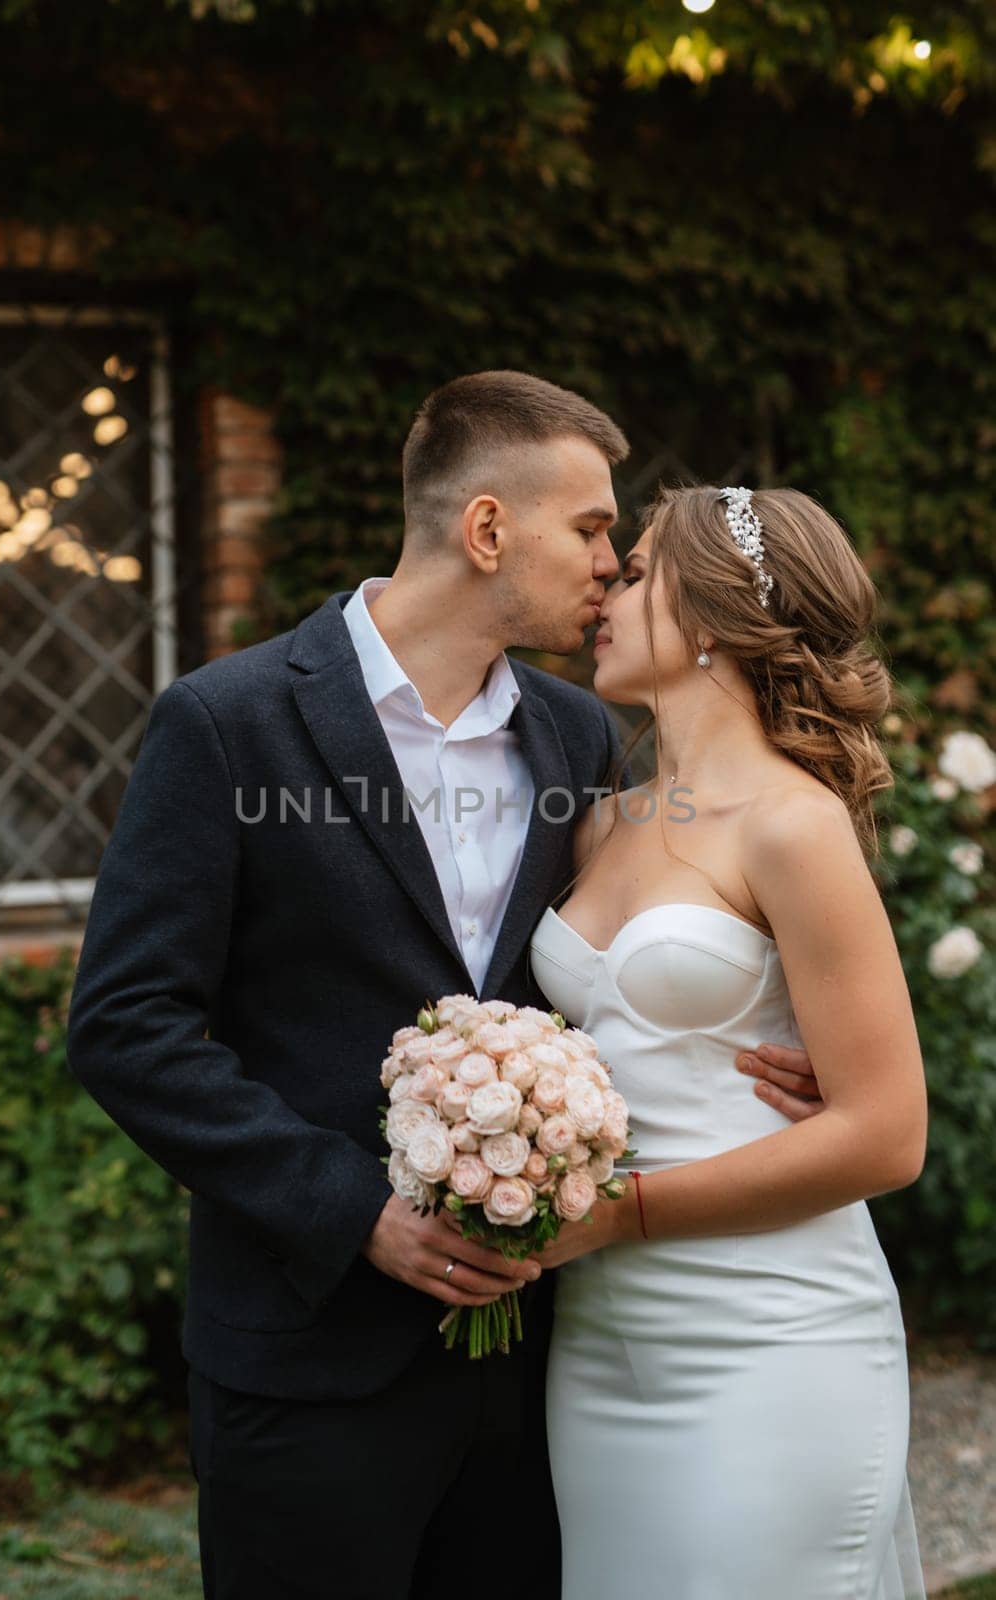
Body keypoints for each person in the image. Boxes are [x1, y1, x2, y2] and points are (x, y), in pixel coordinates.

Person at [65, 374, 821, 1600]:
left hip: (531, 1372)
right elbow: (125, 1027)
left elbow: (626, 959)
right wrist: (352, 1208)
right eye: (588, 528)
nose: (613, 559)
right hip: (306, 1366)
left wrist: (775, 1039)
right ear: (485, 531)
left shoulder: (575, 738)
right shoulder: (228, 723)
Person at [526, 483, 928, 1599]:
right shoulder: (606, 820)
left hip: (771, 1333)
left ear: (709, 615)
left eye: (641, 568)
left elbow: (889, 1135)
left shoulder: (793, 825)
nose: (608, 583)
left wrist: (624, 1211)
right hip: (602, 1340)